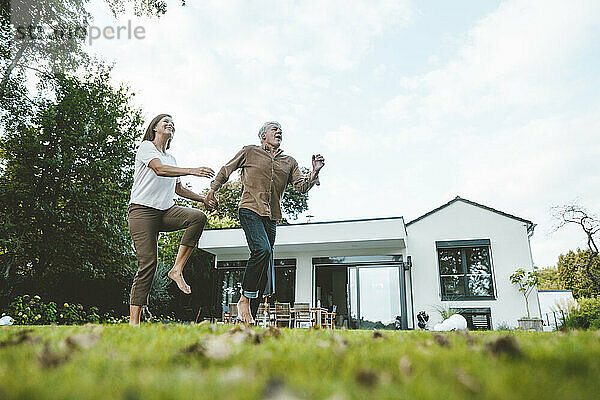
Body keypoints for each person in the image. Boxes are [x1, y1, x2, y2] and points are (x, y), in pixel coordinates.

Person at [206, 121, 325, 323]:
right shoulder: (250, 151)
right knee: (262, 251)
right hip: (250, 208)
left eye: (281, 130)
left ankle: (248, 317)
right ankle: (244, 300)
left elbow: (301, 187)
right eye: (274, 129)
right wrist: (212, 190)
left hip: (271, 217)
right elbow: (227, 169)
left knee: (265, 265)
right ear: (263, 136)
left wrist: (314, 172)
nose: (279, 132)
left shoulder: (289, 162)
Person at [127, 114, 215, 326]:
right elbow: (159, 169)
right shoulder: (146, 147)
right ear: (155, 128)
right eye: (165, 121)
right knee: (148, 263)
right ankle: (134, 322)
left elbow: (178, 188)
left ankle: (176, 270)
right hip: (142, 211)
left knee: (197, 217)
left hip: (165, 211)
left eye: (172, 123)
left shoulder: (172, 159)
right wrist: (192, 170)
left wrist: (203, 199)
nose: (170, 124)